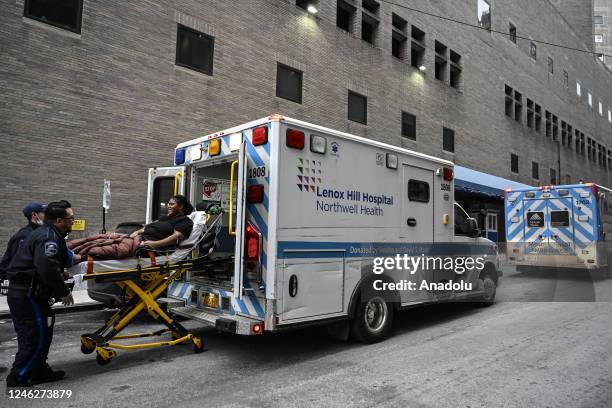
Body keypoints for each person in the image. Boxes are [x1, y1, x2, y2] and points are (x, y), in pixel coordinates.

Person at [5, 200, 75, 388]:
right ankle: (17, 378)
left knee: (44, 331)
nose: (73, 222)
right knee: (34, 336)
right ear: (60, 220)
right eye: (71, 218)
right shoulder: (48, 237)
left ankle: (38, 371)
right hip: (27, 295)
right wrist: (64, 291)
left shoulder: (50, 234)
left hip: (33, 294)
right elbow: (46, 266)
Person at [0, 203, 47, 280]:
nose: (48, 217)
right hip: (16, 283)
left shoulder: (38, 233)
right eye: (45, 213)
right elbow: (18, 264)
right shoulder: (24, 236)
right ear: (34, 215)